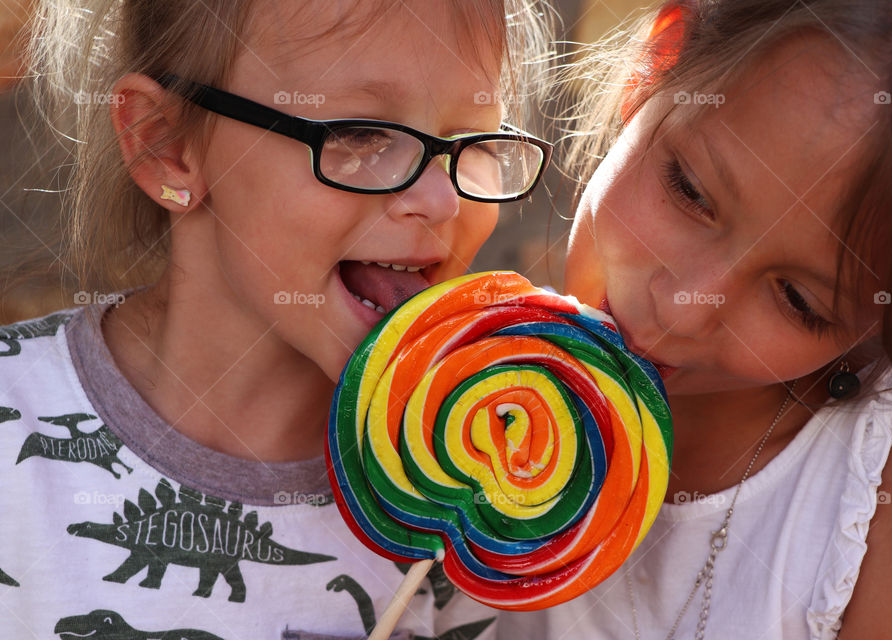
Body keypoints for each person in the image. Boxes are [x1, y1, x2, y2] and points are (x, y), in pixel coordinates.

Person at [0, 1, 552, 637]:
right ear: (165, 144)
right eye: (361, 134)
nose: (441, 199)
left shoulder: (481, 504)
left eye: (470, 143)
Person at [499, 0, 892, 638]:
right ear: (658, 64)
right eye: (689, 191)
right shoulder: (455, 382)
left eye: (799, 300)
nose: (682, 311)